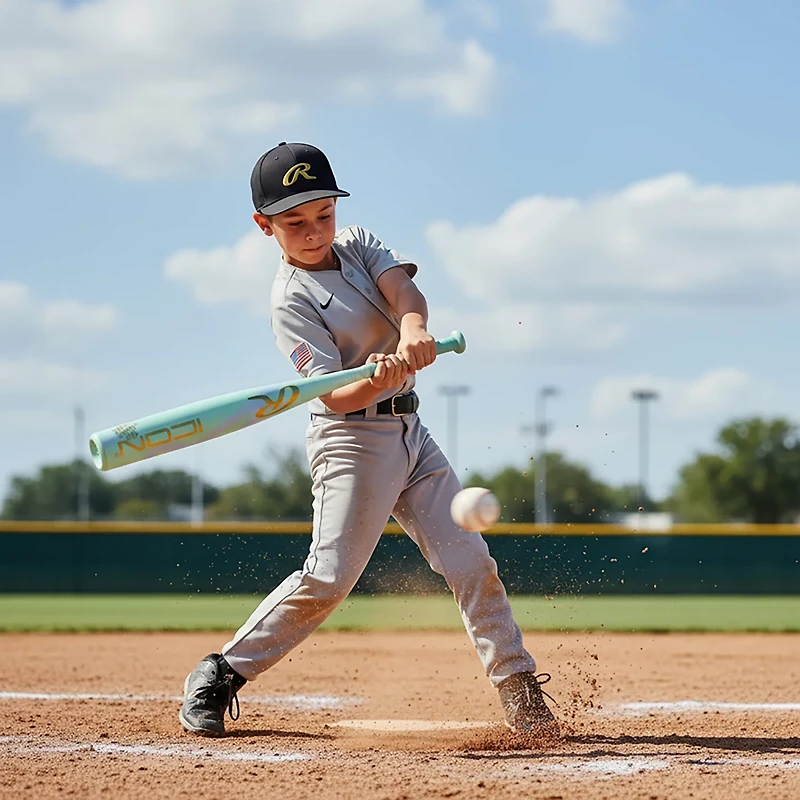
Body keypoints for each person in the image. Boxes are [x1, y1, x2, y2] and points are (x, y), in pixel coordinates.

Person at [179, 142, 559, 741]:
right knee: (328, 578)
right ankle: (221, 673)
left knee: (471, 561)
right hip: (351, 442)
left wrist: (414, 330)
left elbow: (405, 293)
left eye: (323, 213)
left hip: (411, 432)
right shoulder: (291, 301)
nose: (314, 231)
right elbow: (333, 396)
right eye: (294, 222)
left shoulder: (356, 242)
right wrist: (375, 377)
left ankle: (519, 689)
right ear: (264, 225)